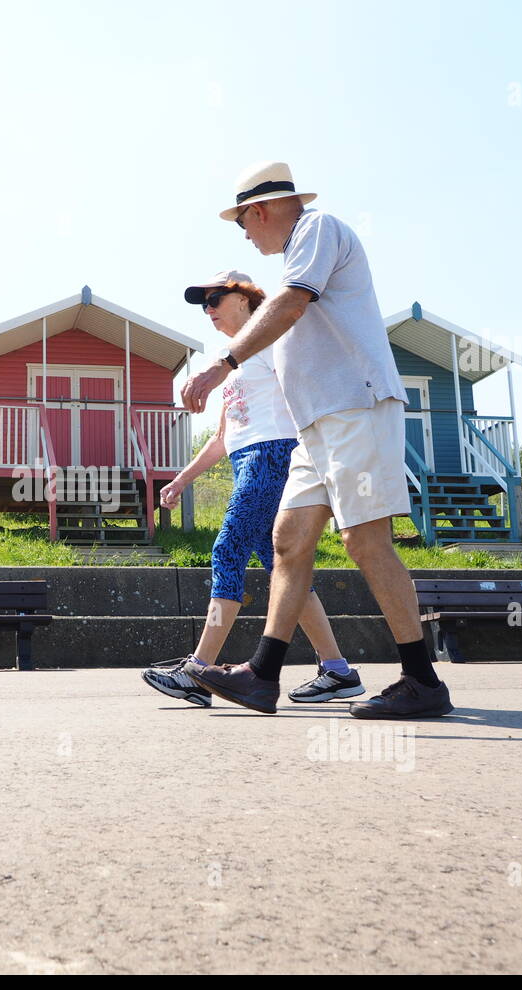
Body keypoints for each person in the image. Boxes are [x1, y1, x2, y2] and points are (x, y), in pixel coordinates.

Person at [180, 162, 454, 719]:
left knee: (366, 541)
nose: (248, 236)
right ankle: (262, 674)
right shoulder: (293, 258)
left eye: (244, 224)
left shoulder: (317, 229)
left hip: (355, 405)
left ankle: (423, 681)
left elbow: (291, 304)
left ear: (259, 210)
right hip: (315, 427)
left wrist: (220, 367)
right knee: (289, 539)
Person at [141, 270, 364, 708]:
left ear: (245, 298)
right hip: (248, 458)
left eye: (214, 299)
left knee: (227, 550)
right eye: (202, 304)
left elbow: (315, 380)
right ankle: (338, 670)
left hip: (273, 455)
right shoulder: (234, 356)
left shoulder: (275, 340)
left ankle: (197, 670)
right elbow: (225, 436)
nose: (208, 310)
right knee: (284, 568)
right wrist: (182, 479)